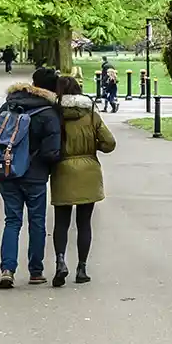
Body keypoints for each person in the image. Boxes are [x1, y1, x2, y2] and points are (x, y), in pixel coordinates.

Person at [0, 66, 64, 288]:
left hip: (8, 171)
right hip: (35, 175)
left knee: (11, 221)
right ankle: (35, 270)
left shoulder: (9, 105)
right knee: (37, 222)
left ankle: (7, 269)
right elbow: (52, 151)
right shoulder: (49, 112)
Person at [50, 75, 115, 286]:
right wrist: (92, 145)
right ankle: (82, 267)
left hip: (62, 169)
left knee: (61, 222)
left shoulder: (54, 114)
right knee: (84, 223)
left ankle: (60, 261)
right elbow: (109, 143)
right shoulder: (91, 115)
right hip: (88, 170)